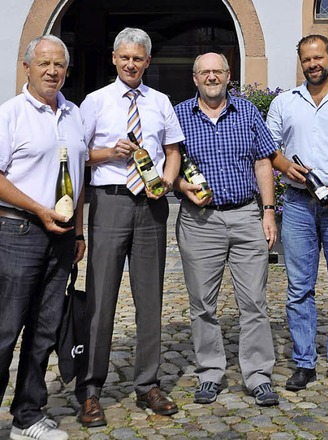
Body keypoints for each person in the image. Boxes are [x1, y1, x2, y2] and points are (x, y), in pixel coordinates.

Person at [75, 27, 183, 427]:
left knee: (150, 299)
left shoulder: (161, 102)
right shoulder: (95, 101)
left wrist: (169, 182)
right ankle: (90, 390)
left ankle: (148, 383)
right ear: (114, 59)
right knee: (102, 299)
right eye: (125, 58)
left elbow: (173, 151)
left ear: (147, 62)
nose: (131, 64)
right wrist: (107, 152)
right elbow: (78, 155)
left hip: (150, 204)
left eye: (138, 58)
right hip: (109, 202)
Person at [173, 52, 279, 407]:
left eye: (218, 71)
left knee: (254, 301)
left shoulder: (247, 112)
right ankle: (210, 371)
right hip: (199, 222)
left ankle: (258, 374)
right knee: (202, 303)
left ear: (229, 75)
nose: (212, 77)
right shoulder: (178, 115)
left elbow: (263, 161)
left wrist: (268, 212)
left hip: (247, 215)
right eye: (205, 71)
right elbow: (166, 164)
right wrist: (178, 187)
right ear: (195, 77)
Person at [0, 35, 86, 440]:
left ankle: (27, 416)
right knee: (5, 329)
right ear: (28, 68)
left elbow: (80, 178)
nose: (53, 71)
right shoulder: (11, 114)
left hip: (63, 236)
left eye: (59, 65)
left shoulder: (73, 114)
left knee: (45, 329)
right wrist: (37, 209)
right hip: (18, 231)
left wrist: (79, 229)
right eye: (45, 64)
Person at [266, 35, 328, 392]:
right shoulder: (284, 102)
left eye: (318, 57)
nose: (313, 64)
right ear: (300, 61)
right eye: (306, 59)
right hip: (298, 205)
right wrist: (284, 166)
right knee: (298, 289)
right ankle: (304, 361)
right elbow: (269, 149)